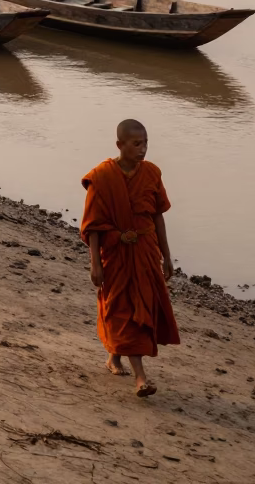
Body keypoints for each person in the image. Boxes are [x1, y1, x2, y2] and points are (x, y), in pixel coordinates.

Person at [80, 119, 180, 397]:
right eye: (137, 144)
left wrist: (167, 255)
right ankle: (141, 379)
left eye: (146, 143)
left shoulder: (151, 174)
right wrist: (95, 263)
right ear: (120, 145)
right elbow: (92, 226)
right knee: (119, 307)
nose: (143, 149)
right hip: (116, 253)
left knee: (141, 308)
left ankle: (117, 357)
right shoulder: (102, 177)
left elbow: (157, 215)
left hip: (146, 251)